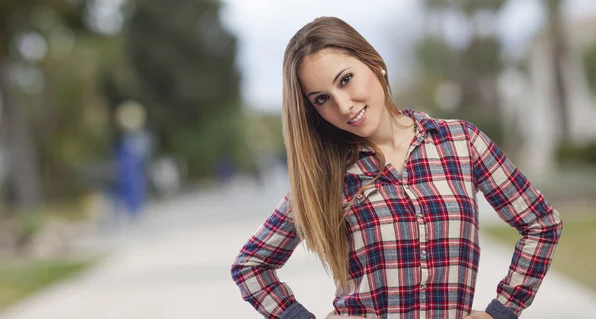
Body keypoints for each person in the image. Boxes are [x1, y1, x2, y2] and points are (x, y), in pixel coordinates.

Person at [230, 16, 563, 319]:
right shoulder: (327, 176)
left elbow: (542, 224)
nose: (343, 106)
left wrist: (501, 311)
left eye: (345, 80)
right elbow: (251, 265)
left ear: (374, 63)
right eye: (321, 99)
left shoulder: (462, 143)